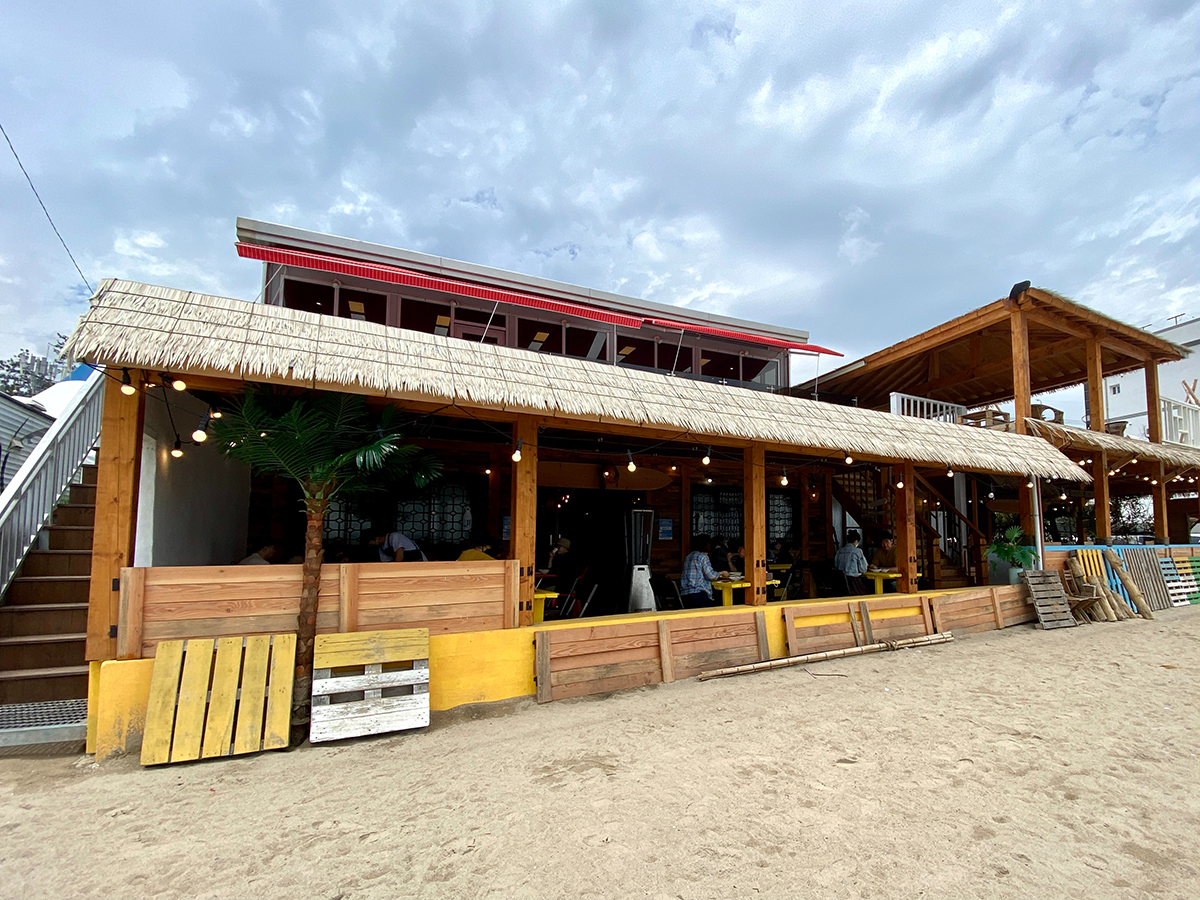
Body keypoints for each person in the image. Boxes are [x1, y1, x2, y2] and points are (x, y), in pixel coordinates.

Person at [681, 535, 728, 608]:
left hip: (685, 596)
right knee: (719, 604)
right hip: (698, 595)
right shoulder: (703, 557)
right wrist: (721, 573)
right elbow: (711, 575)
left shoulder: (688, 556)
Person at [833, 530, 869, 595]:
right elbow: (863, 569)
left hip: (840, 582)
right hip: (854, 582)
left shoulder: (839, 551)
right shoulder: (857, 551)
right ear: (856, 541)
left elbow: (836, 566)